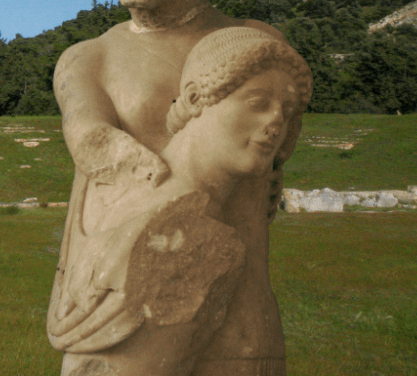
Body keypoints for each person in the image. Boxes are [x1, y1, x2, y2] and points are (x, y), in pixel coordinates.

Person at [47, 0, 304, 375]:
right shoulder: (88, 59)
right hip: (127, 303)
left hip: (240, 311)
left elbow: (280, 144)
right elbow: (89, 137)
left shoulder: (257, 45)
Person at [49, 27, 311, 375]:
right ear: (195, 98)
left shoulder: (151, 203)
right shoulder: (186, 235)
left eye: (287, 112)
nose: (277, 122)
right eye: (258, 103)